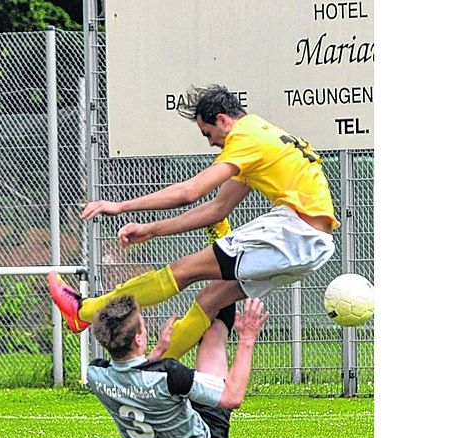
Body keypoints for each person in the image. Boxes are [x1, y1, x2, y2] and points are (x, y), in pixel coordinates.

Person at [49, 84, 337, 360]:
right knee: (210, 299)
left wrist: (122, 206)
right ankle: (151, 374)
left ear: (223, 120)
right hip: (315, 247)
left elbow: (190, 192)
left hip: (294, 232)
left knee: (182, 271)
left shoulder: (245, 138)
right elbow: (216, 209)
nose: (211, 142)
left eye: (207, 133)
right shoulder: (263, 135)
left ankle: (83, 311)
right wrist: (151, 229)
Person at [87, 295, 269, 438]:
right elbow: (233, 397)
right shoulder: (168, 373)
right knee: (213, 333)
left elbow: (133, 379)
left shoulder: (96, 374)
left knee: (174, 409)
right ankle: (228, 293)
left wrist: (158, 353)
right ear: (140, 338)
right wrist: (247, 337)